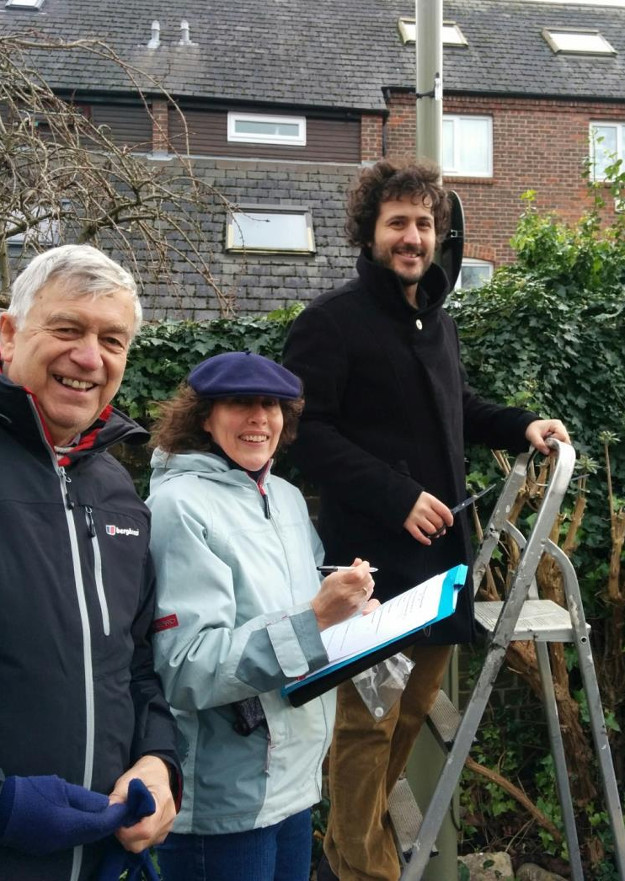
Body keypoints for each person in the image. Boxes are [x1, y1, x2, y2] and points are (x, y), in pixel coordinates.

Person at [283, 157, 570, 881]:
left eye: (423, 223)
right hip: (368, 572)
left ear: (437, 233)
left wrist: (523, 424)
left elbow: (458, 410)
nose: (411, 236)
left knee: (407, 717)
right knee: (364, 727)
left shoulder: (434, 323)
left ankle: (345, 852)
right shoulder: (329, 323)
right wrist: (394, 494)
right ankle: (364, 869)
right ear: (369, 232)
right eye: (397, 223)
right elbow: (306, 435)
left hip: (441, 567)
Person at [147, 351, 378, 881]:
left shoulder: (289, 498)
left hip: (295, 784)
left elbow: (303, 617)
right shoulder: (178, 506)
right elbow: (185, 667)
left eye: (271, 404)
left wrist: (354, 615)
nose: (259, 417)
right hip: (223, 801)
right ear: (204, 416)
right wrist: (318, 618)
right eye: (239, 403)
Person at [0, 244, 180, 881]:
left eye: (112, 339)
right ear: (8, 334)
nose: (89, 358)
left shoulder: (117, 492)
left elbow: (135, 665)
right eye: (68, 329)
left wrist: (159, 762)